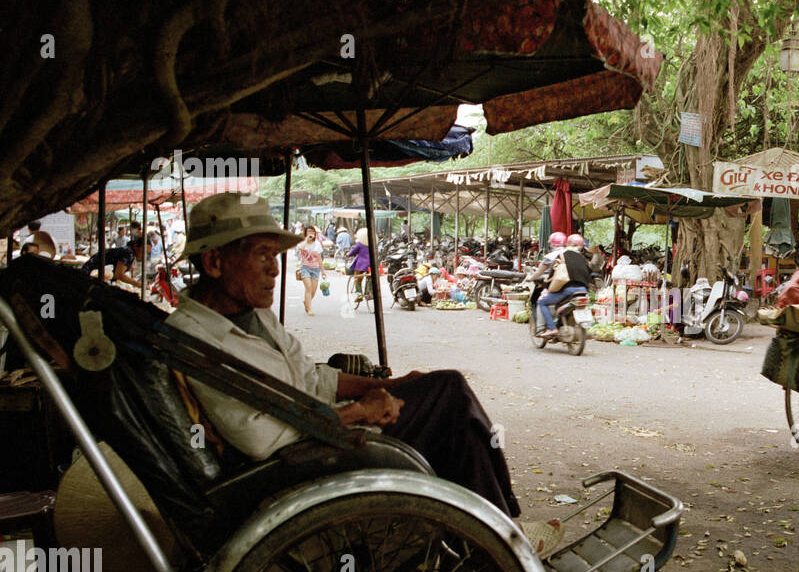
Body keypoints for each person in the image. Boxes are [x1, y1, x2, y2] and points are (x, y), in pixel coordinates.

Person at [167, 193, 524, 523]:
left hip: (326, 428)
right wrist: (359, 411)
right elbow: (260, 439)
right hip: (306, 457)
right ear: (215, 262)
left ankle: (495, 527)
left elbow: (313, 377)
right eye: (262, 255)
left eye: (274, 256)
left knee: (444, 386)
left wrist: (391, 384)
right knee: (449, 399)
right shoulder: (195, 336)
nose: (275, 269)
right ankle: (500, 538)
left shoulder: (251, 313)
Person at [538, 233, 591, 340]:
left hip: (568, 290)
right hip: (583, 290)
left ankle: (551, 328)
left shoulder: (562, 256)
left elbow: (554, 274)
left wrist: (547, 287)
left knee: (542, 302)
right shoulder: (583, 259)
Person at [296, 224, 324, 315]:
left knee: (313, 291)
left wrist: (323, 271)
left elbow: (319, 258)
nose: (311, 233)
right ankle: (309, 309)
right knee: (308, 287)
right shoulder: (302, 242)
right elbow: (301, 248)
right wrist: (306, 239)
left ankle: (306, 302)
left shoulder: (318, 244)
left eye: (313, 232)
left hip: (316, 269)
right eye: (309, 232)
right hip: (305, 268)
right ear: (305, 233)